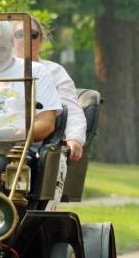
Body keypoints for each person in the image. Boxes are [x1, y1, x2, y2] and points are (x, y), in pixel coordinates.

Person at [12, 16, 87, 161]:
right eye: (20, 34)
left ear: (41, 40)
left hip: (37, 144)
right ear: (11, 40)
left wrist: (74, 138)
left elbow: (70, 108)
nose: (26, 39)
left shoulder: (55, 72)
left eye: (33, 35)